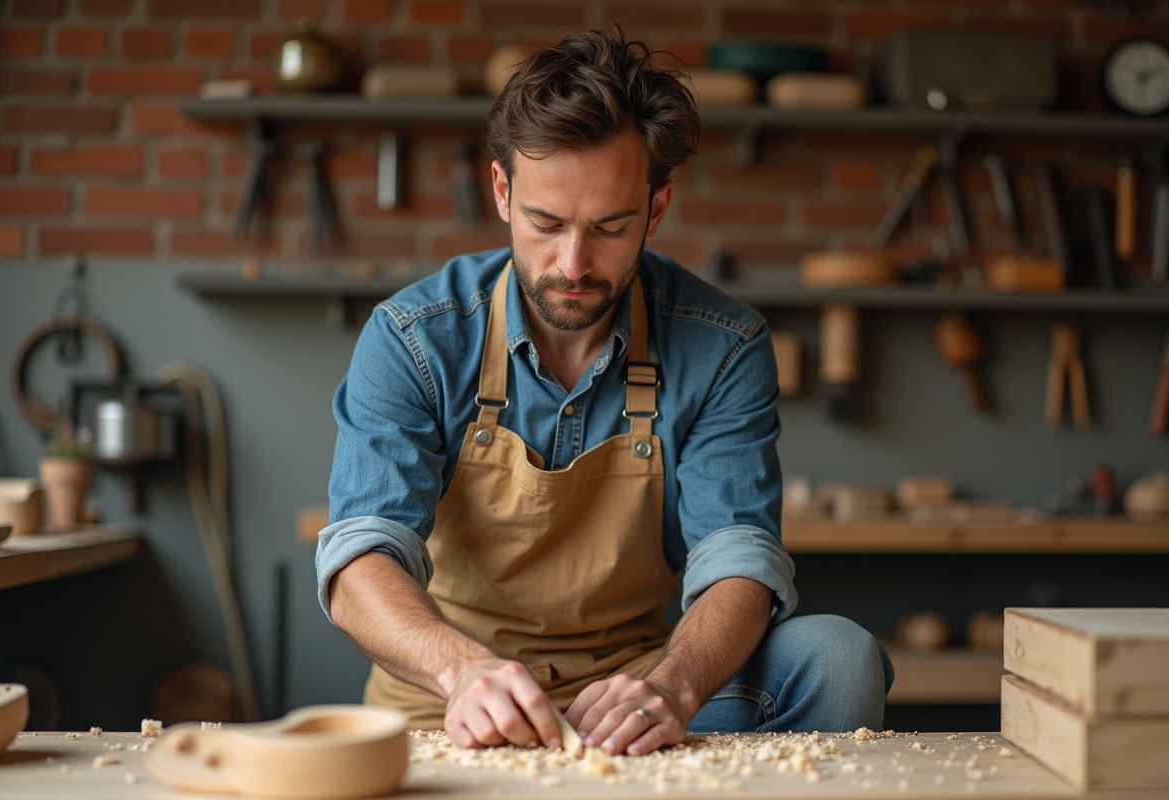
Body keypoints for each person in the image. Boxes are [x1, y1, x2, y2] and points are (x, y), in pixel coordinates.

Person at [316, 24, 893, 758]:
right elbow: (362, 553)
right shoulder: (413, 338)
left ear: (656, 208)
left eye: (611, 227)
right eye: (546, 224)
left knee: (839, 657)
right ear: (502, 190)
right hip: (451, 697)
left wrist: (675, 688)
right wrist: (463, 673)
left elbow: (739, 555)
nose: (573, 263)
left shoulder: (722, 343)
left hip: (632, 699)